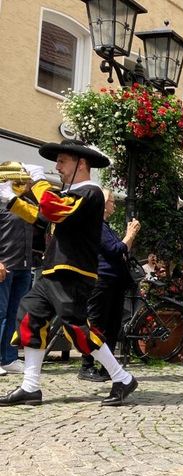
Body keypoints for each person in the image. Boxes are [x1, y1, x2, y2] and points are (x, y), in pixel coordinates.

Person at [0, 139, 137, 407]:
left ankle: (122, 378)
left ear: (81, 163)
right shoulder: (72, 192)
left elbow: (53, 210)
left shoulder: (91, 192)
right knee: (30, 318)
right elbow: (43, 217)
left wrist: (38, 182)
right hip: (53, 269)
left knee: (77, 329)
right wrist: (12, 200)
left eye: (62, 161)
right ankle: (30, 386)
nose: (57, 166)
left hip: (73, 272)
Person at [78, 189, 141, 382]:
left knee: (113, 324)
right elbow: (115, 249)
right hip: (102, 280)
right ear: (104, 203)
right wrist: (130, 234)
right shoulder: (95, 224)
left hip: (115, 280)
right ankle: (86, 366)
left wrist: (129, 238)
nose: (114, 204)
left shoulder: (107, 227)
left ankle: (108, 366)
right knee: (97, 323)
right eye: (112, 201)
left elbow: (122, 250)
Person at [0, 197, 34, 375]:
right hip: (4, 266)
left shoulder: (27, 203)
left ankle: (8, 358)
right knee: (0, 313)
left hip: (24, 266)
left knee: (15, 314)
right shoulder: (1, 201)